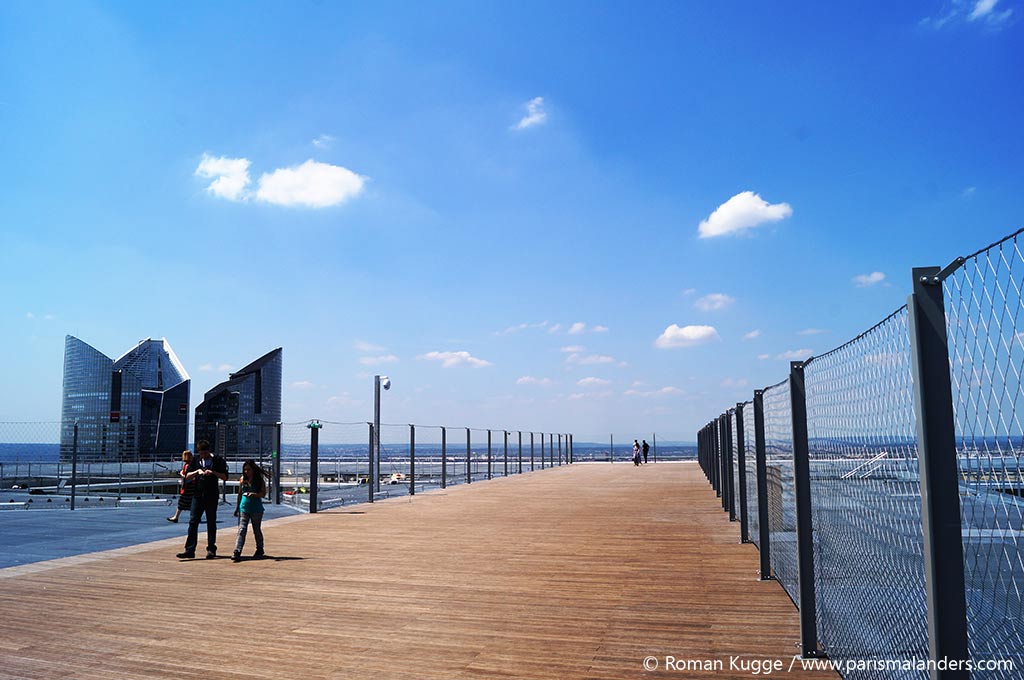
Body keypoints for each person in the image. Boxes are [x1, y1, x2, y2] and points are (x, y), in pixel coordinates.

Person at [176, 440, 228, 559]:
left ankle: (211, 549)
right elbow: (187, 476)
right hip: (198, 494)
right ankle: (189, 549)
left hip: (211, 494)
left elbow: (225, 477)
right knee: (193, 521)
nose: (203, 455)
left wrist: (213, 472)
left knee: (211, 522)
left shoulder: (218, 460)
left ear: (209, 451)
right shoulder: (196, 460)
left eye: (205, 453)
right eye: (201, 453)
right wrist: (197, 472)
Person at [233, 459, 269, 562]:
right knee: (242, 529)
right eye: (245, 470)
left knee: (256, 529)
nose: (246, 472)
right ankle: (237, 550)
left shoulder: (259, 481)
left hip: (256, 509)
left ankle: (260, 548)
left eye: (248, 470)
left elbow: (263, 494)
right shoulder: (242, 479)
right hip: (244, 508)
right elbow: (240, 494)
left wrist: (255, 495)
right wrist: (237, 508)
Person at [166, 450, 194, 523]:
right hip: (191, 486)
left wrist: (181, 474)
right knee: (190, 502)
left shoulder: (188, 465)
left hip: (187, 487)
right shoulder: (190, 465)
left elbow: (186, 476)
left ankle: (176, 517)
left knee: (182, 502)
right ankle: (194, 516)